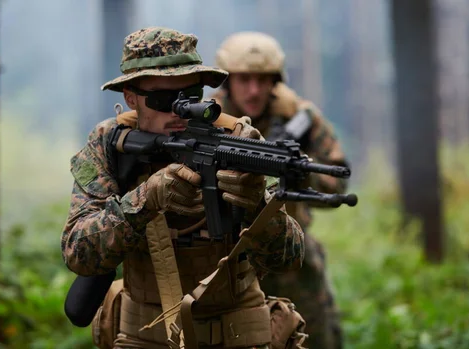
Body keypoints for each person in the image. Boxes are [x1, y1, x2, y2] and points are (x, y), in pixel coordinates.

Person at [61, 27, 306, 349]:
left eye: (190, 97)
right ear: (131, 98)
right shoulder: (109, 142)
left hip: (237, 334)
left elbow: (289, 258)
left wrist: (257, 206)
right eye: (163, 100)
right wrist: (146, 199)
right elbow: (78, 252)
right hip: (143, 336)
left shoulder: (239, 140)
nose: (179, 110)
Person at [212, 31, 350, 349]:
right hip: (226, 255)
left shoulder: (300, 118)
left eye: (263, 79)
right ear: (228, 80)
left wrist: (299, 174)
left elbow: (337, 183)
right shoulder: (209, 118)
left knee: (317, 337)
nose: (254, 89)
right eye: (244, 79)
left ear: (275, 80)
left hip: (290, 253)